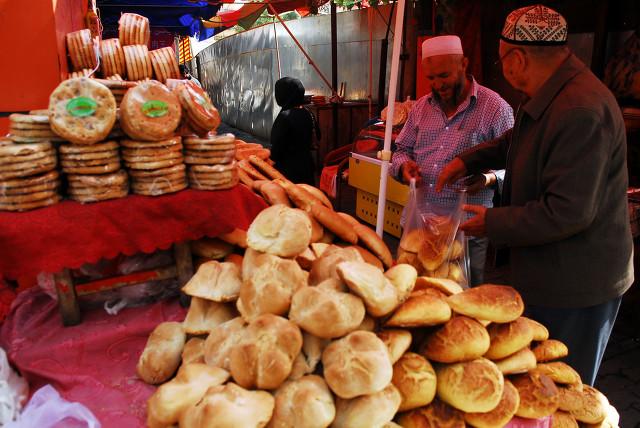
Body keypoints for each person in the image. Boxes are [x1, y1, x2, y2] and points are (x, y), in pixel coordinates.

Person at [436, 5, 634, 386]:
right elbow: (518, 139)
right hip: (551, 270)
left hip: (577, 283)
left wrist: (490, 222)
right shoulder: (552, 91)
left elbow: (568, 211)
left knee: (560, 390)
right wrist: (467, 160)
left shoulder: (579, 109)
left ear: (518, 58)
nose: (503, 70)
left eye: (501, 59)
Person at [390, 35, 514, 286]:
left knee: (465, 293)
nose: (437, 85)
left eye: (444, 76)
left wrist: (487, 178)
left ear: (464, 64)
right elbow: (400, 149)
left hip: (467, 229)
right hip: (419, 225)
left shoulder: (495, 108)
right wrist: (404, 167)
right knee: (415, 290)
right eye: (431, 78)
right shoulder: (420, 109)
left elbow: (514, 164)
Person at [270, 77, 320, 185]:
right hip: (307, 168)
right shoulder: (308, 113)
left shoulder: (284, 116)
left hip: (288, 173)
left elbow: (276, 149)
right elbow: (318, 136)